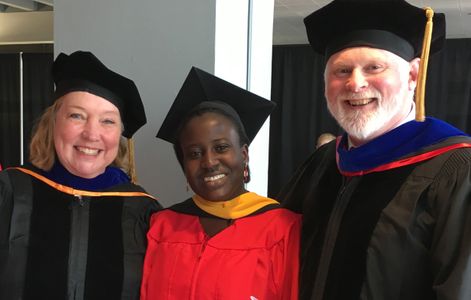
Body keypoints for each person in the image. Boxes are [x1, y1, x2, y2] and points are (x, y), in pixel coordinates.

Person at [279, 0, 471, 299]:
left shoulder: (457, 169)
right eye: (341, 70)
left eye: (373, 68)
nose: (355, 84)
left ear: (413, 75)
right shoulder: (323, 162)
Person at [0, 51, 161, 300]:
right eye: (77, 116)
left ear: (119, 135)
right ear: (53, 122)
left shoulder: (142, 211)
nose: (91, 134)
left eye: (108, 121)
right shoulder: (10, 192)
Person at [141, 67, 301, 300]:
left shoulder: (280, 229)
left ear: (244, 154)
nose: (208, 162)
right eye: (194, 153)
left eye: (221, 148)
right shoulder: (161, 226)